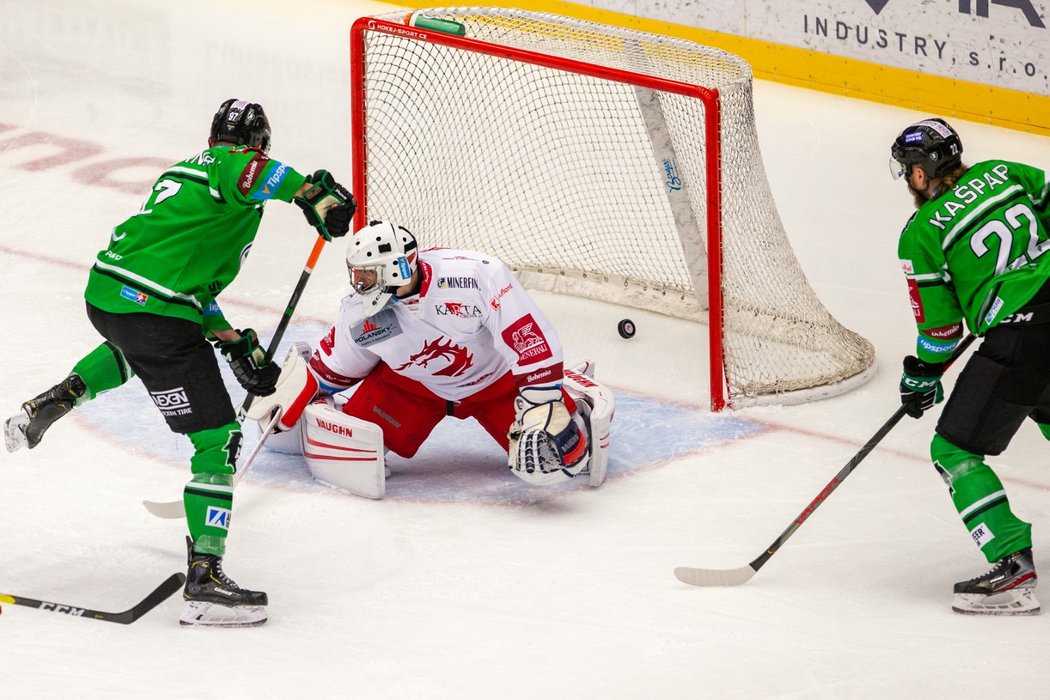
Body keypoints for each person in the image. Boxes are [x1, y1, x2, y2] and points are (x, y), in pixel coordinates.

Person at [3, 98, 356, 627]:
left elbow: (187, 294)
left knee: (144, 344)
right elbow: (255, 171)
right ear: (255, 141)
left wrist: (235, 341)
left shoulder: (189, 174)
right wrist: (315, 196)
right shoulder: (231, 164)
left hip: (110, 298)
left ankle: (62, 395)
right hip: (156, 314)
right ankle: (205, 581)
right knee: (216, 443)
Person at [243, 220, 613, 498]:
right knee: (352, 455)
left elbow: (528, 337)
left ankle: (571, 398)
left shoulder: (473, 275)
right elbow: (338, 367)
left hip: (495, 384)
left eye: (368, 274)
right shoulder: (362, 311)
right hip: (412, 388)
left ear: (398, 269)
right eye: (357, 273)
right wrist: (294, 387)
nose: (359, 282)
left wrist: (543, 398)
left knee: (553, 460)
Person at [891, 117, 1050, 616]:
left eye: (909, 170)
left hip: (1023, 334)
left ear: (921, 174)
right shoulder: (1007, 172)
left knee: (953, 448)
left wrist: (922, 375)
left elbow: (941, 331)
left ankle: (1011, 569)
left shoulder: (919, 234)